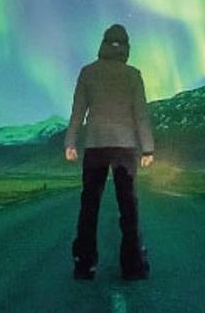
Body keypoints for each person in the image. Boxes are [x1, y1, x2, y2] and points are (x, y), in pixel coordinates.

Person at [64, 23, 155, 280]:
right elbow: (141, 115)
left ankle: (84, 264)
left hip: (95, 146)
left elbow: (78, 112)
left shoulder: (87, 73)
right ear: (126, 47)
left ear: (102, 44)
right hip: (125, 147)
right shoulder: (133, 75)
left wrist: (70, 142)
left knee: (89, 206)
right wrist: (147, 148)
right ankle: (133, 266)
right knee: (128, 208)